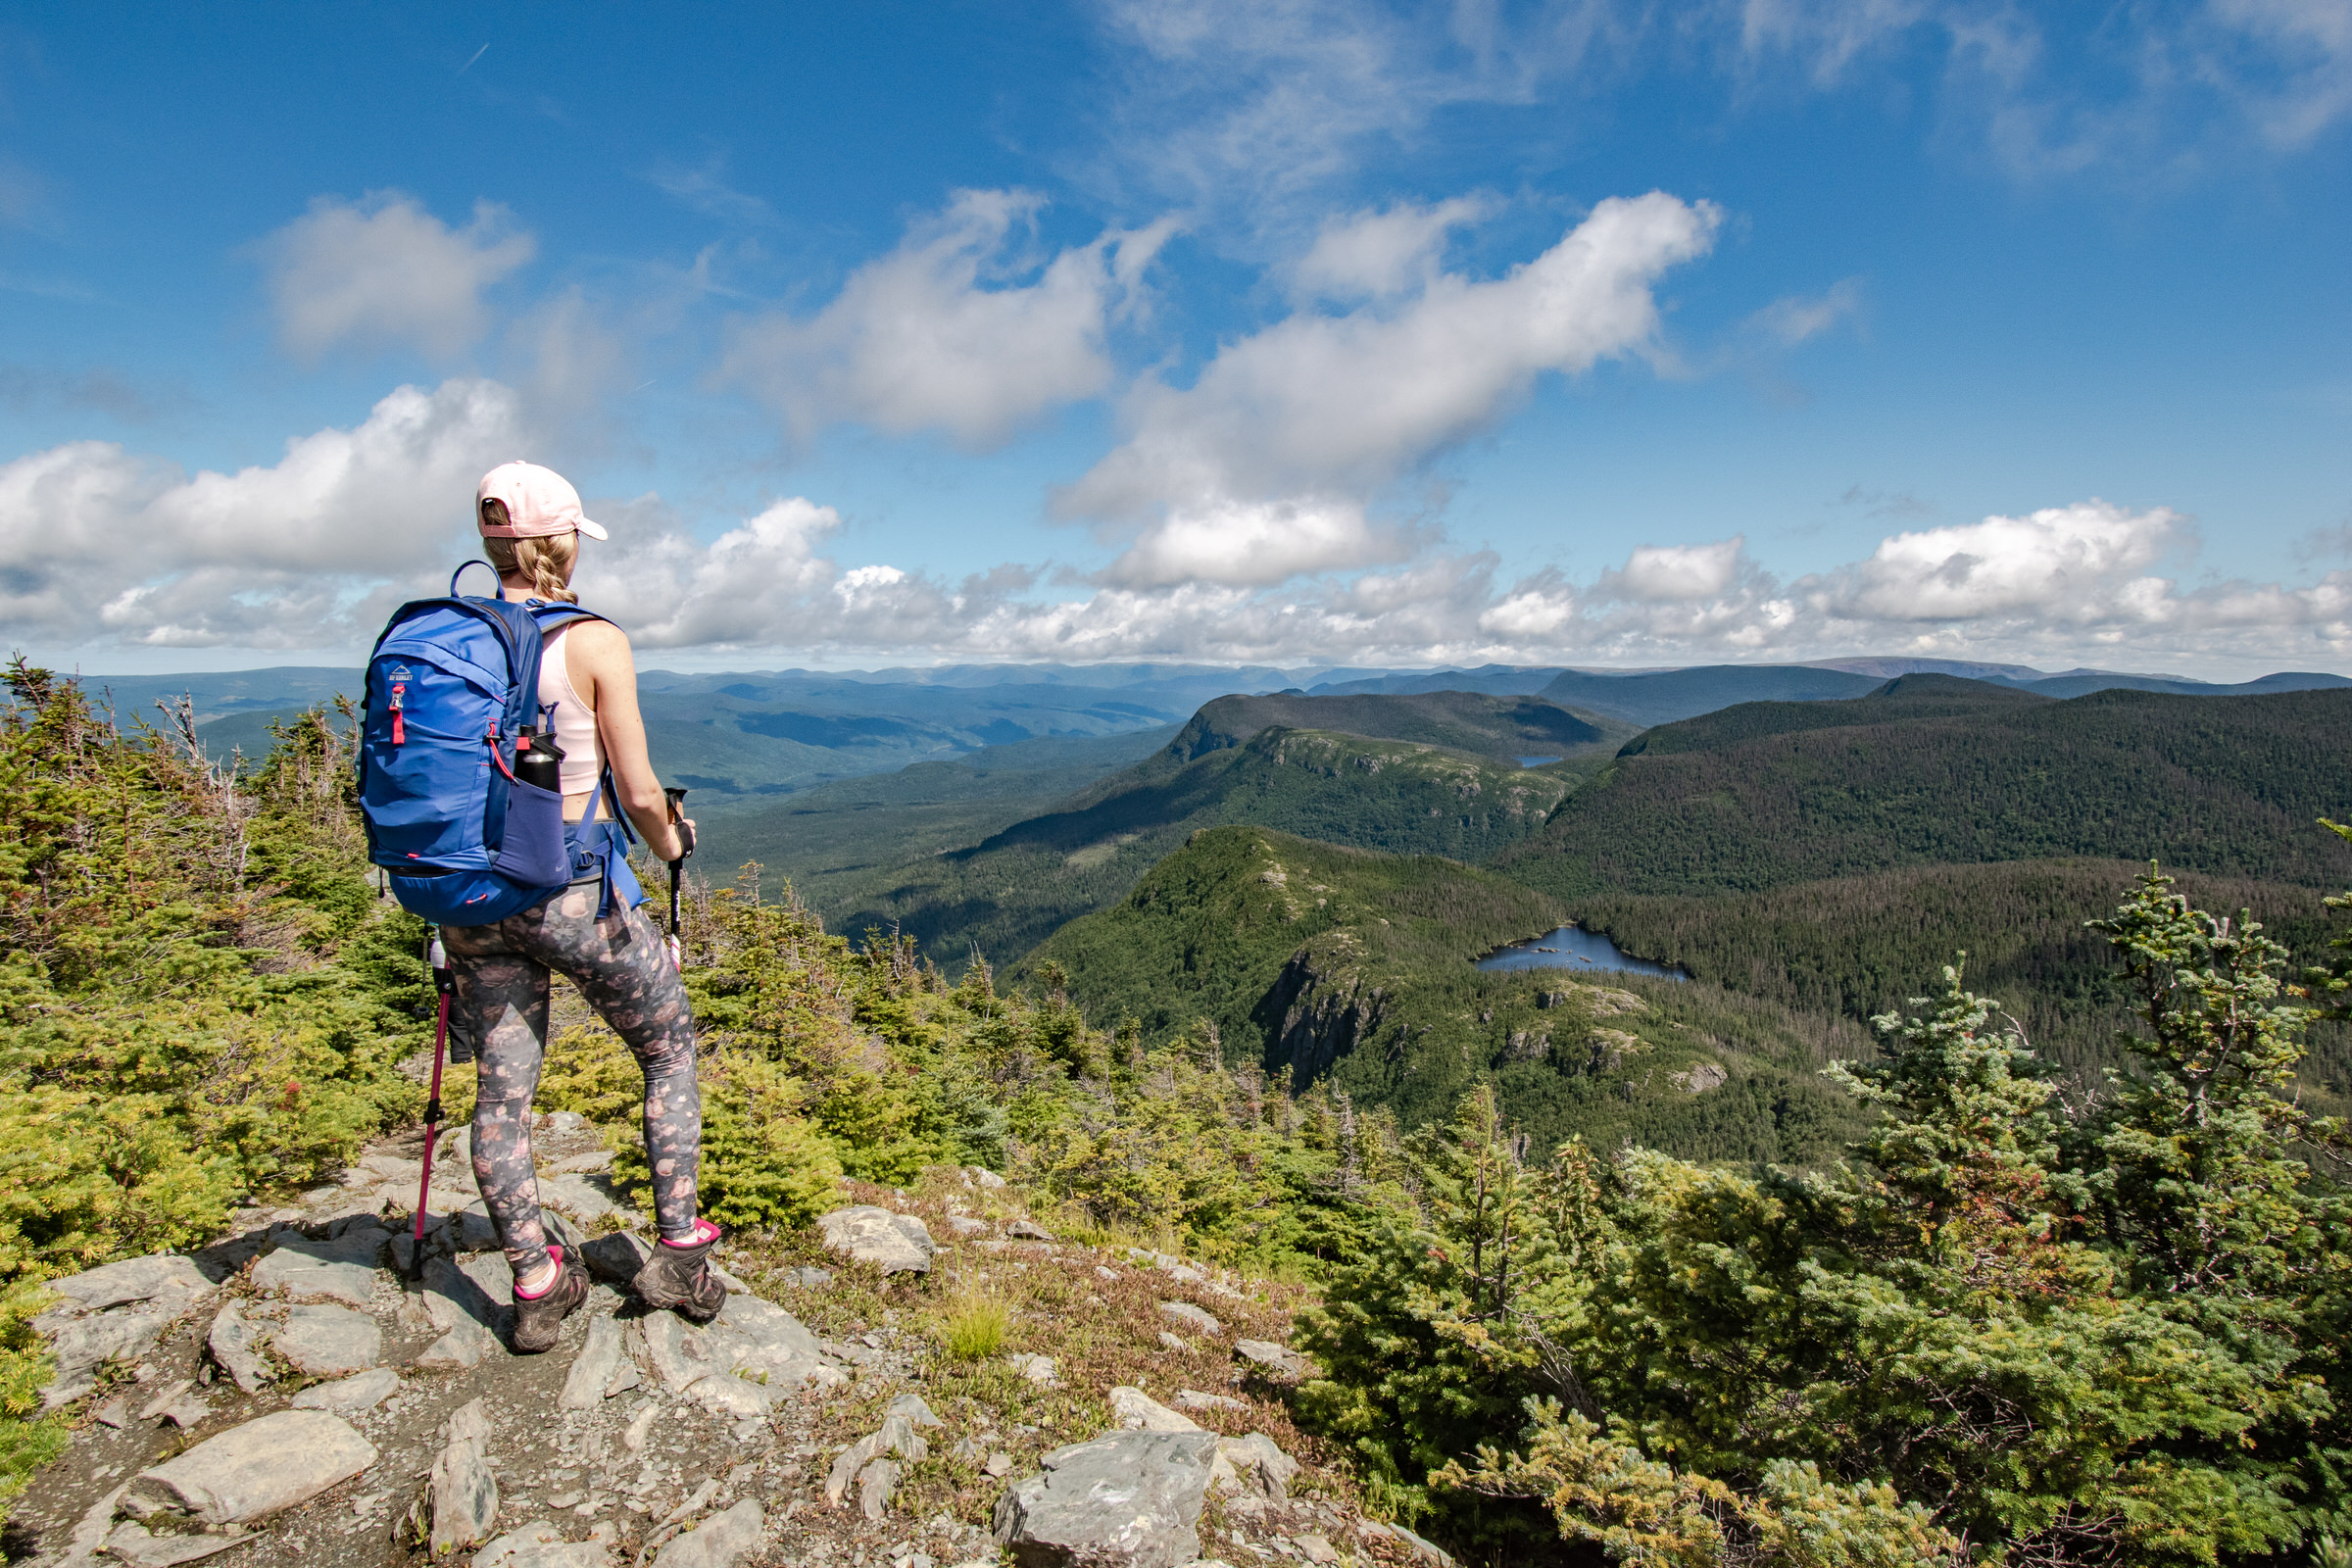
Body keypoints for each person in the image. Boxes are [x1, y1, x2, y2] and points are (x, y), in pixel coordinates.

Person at [440, 460, 722, 1352]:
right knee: (667, 1049)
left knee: (501, 1091)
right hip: (567, 894)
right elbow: (637, 792)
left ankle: (534, 1284)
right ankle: (678, 1253)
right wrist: (673, 845)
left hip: (469, 898)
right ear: (561, 542)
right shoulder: (592, 641)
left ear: (491, 539)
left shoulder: (448, 636)